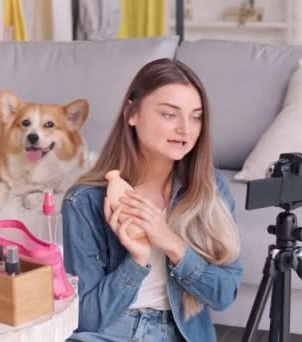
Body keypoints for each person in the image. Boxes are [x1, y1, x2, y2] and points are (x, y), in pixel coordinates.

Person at [62, 58, 243, 342]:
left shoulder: (210, 188)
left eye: (196, 116)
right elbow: (86, 317)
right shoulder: (84, 201)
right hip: (110, 333)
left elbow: (223, 294)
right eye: (170, 115)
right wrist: (136, 259)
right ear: (131, 113)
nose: (186, 129)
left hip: (183, 333)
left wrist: (170, 242)